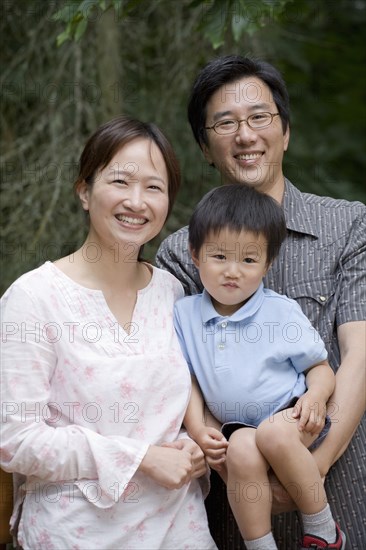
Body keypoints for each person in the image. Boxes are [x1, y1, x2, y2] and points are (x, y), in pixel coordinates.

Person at [156, 55, 366, 549]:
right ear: (206, 147)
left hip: (341, 486)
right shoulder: (181, 253)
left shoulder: (349, 226)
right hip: (237, 509)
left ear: (285, 132)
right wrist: (231, 461)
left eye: (259, 117)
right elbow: (174, 368)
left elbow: (359, 354)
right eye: (224, 123)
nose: (244, 134)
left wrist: (312, 466)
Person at [0, 116, 217, 550]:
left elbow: (182, 402)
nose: (137, 201)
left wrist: (195, 448)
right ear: (84, 191)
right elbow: (15, 441)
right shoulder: (33, 297)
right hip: (74, 531)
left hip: (180, 529)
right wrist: (140, 459)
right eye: (121, 181)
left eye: (154, 188)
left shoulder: (173, 293)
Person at [174, 184, 345, 550]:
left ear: (267, 264)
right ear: (195, 253)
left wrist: (316, 397)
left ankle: (325, 531)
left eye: (249, 261)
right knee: (241, 449)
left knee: (273, 434)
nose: (232, 272)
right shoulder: (184, 314)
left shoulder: (278, 311)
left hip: (291, 415)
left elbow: (320, 367)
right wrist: (196, 427)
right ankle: (260, 545)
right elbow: (187, 378)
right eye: (219, 256)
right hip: (238, 429)